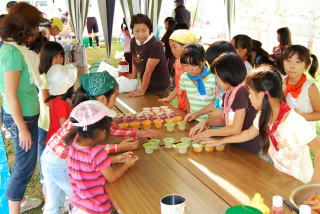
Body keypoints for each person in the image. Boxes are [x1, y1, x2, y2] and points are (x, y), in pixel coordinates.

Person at [41, 72, 156, 213]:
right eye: (115, 97)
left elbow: (110, 131)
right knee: (83, 199)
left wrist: (137, 133)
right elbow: (90, 151)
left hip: (50, 155)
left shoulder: (88, 109)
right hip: (60, 161)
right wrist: (117, 147)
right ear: (103, 98)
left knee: (54, 203)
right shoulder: (90, 117)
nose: (115, 101)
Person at [202, 67, 320, 183]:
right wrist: (220, 141)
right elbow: (249, 133)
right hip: (279, 177)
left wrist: (314, 185)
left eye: (251, 94)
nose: (249, 97)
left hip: (300, 182)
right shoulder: (263, 115)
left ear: (262, 95)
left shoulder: (294, 121)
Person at [0, 2, 46, 213]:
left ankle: (20, 200)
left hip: (28, 114)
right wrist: (22, 127)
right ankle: (14, 209)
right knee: (24, 167)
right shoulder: (11, 53)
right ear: (22, 28)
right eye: (34, 27)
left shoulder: (19, 49)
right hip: (21, 118)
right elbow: (10, 93)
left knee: (26, 164)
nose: (37, 31)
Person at [65, 100, 139, 214]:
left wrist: (115, 159)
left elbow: (89, 165)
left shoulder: (75, 143)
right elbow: (112, 177)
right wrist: (127, 165)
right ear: (100, 132)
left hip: (77, 205)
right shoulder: (96, 152)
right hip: (94, 208)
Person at [190, 53, 263, 155]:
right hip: (234, 144)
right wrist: (207, 122)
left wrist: (210, 132)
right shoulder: (228, 93)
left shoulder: (241, 92)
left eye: (216, 75)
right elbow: (226, 120)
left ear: (227, 73)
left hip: (247, 148)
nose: (216, 79)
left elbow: (236, 129)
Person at [183, 41, 236, 124]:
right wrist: (196, 115)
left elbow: (236, 122)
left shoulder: (237, 90)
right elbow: (215, 103)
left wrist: (223, 113)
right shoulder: (219, 84)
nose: (214, 73)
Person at [280, 45, 320, 134]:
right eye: (288, 60)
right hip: (284, 132)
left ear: (306, 65)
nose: (292, 66)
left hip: (303, 134)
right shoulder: (281, 82)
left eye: (298, 62)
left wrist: (301, 116)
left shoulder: (310, 87)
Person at [128, 14, 170, 98]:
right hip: (146, 84)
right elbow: (134, 60)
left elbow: (148, 71)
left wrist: (142, 90)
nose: (140, 34)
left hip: (159, 87)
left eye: (144, 31)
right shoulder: (133, 41)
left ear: (149, 29)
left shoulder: (155, 44)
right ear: (132, 30)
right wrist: (133, 81)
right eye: (137, 31)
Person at [159, 29, 197, 112]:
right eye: (171, 47)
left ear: (187, 46)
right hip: (182, 105)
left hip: (192, 108)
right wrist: (169, 98)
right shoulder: (177, 61)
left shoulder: (193, 65)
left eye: (175, 47)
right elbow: (179, 85)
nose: (172, 50)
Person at [179, 43, 216, 121]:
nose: (189, 69)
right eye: (185, 65)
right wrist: (189, 113)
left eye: (193, 65)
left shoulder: (213, 78)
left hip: (210, 122)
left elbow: (216, 102)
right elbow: (187, 97)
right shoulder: (184, 77)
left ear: (202, 62)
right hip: (194, 119)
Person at [44, 64, 77, 144]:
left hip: (55, 140)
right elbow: (64, 126)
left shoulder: (55, 100)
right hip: (59, 142)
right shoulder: (61, 104)